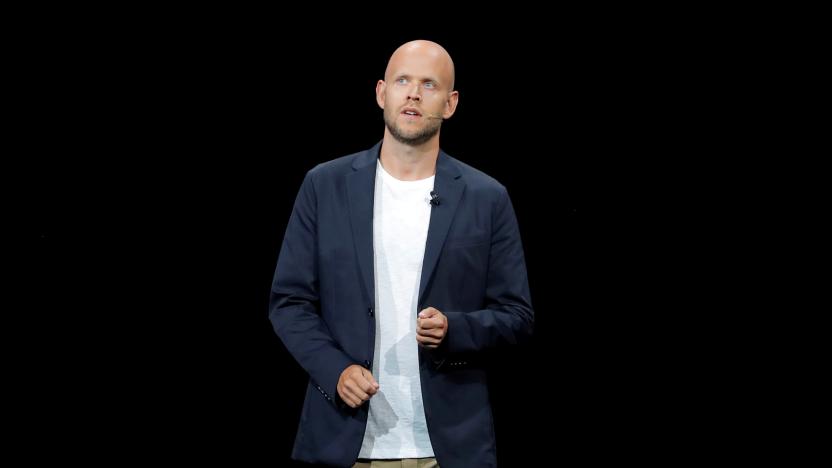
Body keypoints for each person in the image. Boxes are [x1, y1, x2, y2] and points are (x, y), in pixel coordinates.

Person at [269, 39, 533, 468]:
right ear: (381, 93)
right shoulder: (325, 186)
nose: (413, 93)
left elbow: (517, 316)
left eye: (429, 84)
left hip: (447, 448)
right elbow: (289, 302)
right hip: (341, 440)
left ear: (450, 104)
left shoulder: (487, 198)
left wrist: (455, 329)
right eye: (403, 81)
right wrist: (335, 370)